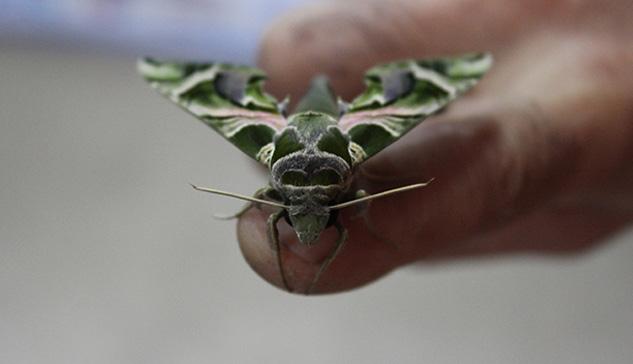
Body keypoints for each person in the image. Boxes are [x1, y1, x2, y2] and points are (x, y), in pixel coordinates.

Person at [237, 0, 633, 293]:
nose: (308, 229)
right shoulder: (300, 184)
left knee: (304, 54)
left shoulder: (347, 163)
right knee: (299, 53)